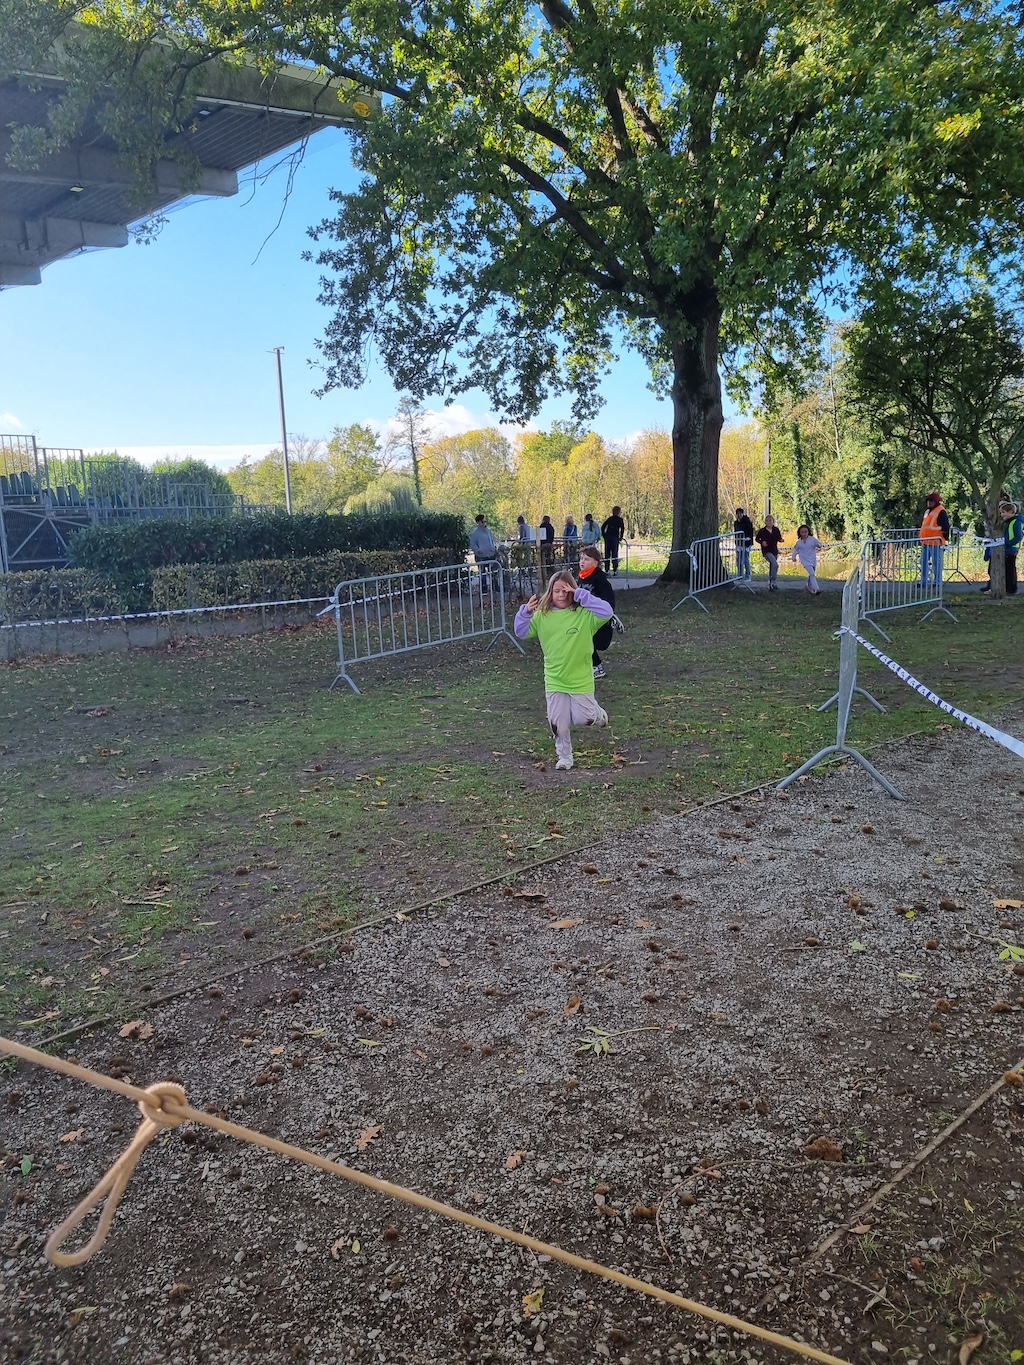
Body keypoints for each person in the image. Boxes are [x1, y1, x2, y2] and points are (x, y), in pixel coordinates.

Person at [514, 569, 612, 771]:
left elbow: (607, 611)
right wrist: (525, 613)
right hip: (555, 679)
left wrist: (581, 595)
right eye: (557, 591)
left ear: (572, 592)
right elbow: (521, 632)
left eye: (565, 591)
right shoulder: (542, 616)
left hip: (580, 679)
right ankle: (565, 757)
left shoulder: (585, 615)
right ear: (550, 592)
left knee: (584, 719)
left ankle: (598, 714)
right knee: (558, 722)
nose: (561, 595)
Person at [577, 543, 616, 678]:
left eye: (587, 559)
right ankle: (591, 666)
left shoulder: (600, 579)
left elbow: (609, 600)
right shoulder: (581, 577)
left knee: (590, 642)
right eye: (581, 558)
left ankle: (597, 667)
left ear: (595, 563)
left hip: (597, 618)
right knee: (581, 640)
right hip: (583, 617)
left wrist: (608, 614)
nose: (582, 561)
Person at [981, 501, 1022, 595]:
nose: (1002, 514)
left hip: (1010, 549)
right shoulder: (1007, 522)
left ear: (1011, 512)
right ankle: (1002, 587)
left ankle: (1011, 589)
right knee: (1005, 569)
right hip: (1006, 548)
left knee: (1010, 570)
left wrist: (1007, 543)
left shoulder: (1015, 522)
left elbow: (1018, 536)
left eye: (1003, 512)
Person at [919, 492, 949, 587]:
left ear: (936, 502)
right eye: (928, 501)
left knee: (936, 564)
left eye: (931, 501)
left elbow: (945, 526)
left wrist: (945, 539)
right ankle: (924, 581)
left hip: (936, 542)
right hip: (926, 542)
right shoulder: (927, 511)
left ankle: (937, 581)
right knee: (923, 562)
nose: (929, 502)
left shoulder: (941, 511)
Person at [790, 524, 823, 594]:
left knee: (812, 573)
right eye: (802, 532)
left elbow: (819, 544)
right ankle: (816, 588)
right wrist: (793, 556)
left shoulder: (812, 539)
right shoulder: (799, 542)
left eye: (805, 532)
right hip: (804, 560)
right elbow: (795, 550)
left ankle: (808, 585)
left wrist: (819, 546)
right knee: (812, 574)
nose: (804, 534)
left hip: (812, 559)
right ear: (799, 533)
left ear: (808, 532)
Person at [469, 513, 497, 591]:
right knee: (482, 573)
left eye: (485, 521)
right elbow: (473, 544)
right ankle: (484, 589)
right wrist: (478, 550)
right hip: (481, 556)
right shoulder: (475, 533)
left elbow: (491, 540)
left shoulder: (488, 531)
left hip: (491, 555)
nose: (484, 523)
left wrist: (493, 548)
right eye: (483, 522)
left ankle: (495, 587)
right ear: (478, 522)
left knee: (493, 572)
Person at [755, 514, 783, 590]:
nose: (768, 522)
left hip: (774, 550)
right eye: (767, 521)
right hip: (766, 550)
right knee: (775, 564)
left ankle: (771, 583)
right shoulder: (762, 531)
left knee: (772, 566)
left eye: (770, 520)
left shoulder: (776, 530)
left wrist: (781, 540)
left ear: (773, 521)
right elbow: (757, 539)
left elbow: (778, 538)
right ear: (765, 522)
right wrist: (762, 542)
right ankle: (773, 580)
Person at [601, 505, 626, 576]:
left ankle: (607, 569)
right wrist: (620, 537)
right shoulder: (620, 520)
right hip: (615, 537)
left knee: (607, 553)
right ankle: (615, 570)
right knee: (614, 553)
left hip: (608, 537)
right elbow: (622, 529)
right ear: (618, 512)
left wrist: (604, 535)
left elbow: (603, 527)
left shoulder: (610, 519)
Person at [733, 507, 755, 581]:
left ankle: (748, 575)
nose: (739, 515)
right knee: (738, 560)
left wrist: (748, 541)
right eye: (737, 514)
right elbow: (736, 533)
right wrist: (736, 542)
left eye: (740, 513)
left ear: (742, 514)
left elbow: (750, 532)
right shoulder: (736, 523)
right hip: (739, 544)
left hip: (746, 544)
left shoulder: (747, 522)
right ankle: (739, 575)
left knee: (745, 560)